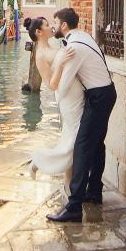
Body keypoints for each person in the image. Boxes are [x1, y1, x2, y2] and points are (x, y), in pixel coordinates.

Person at [46, 6, 116, 223]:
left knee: (82, 146)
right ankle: (94, 192)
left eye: (55, 23)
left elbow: (63, 86)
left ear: (64, 25)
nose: (54, 26)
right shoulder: (84, 36)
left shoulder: (73, 47)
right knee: (97, 144)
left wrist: (58, 65)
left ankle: (74, 206)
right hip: (106, 93)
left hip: (98, 97)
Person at [26, 17, 81, 196]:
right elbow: (50, 84)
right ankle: (39, 161)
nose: (51, 27)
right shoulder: (40, 55)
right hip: (66, 98)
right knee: (73, 140)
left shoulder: (51, 47)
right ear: (38, 33)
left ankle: (68, 184)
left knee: (71, 140)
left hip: (74, 93)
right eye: (47, 25)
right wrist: (61, 62)